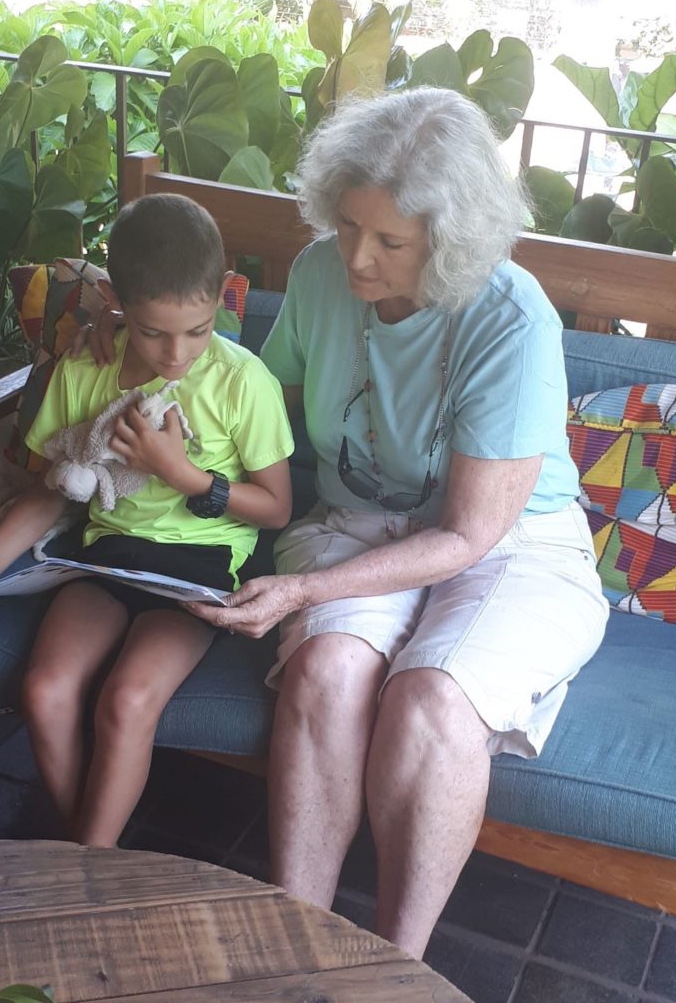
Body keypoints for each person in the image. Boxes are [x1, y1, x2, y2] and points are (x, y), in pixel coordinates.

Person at [183, 87, 611, 959]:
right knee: (326, 672)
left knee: (430, 704)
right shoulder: (316, 273)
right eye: (346, 226)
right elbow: (263, 411)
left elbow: (466, 536)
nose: (357, 260)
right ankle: (291, 951)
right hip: (359, 520)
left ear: (448, 244)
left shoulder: (509, 318)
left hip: (509, 544)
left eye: (390, 242)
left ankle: (391, 970)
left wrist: (301, 586)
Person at [0, 193, 294, 848]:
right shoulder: (86, 366)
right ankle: (91, 856)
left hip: (196, 569)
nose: (175, 354)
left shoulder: (242, 380)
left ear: (220, 296)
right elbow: (54, 492)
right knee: (46, 689)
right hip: (103, 555)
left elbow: (275, 505)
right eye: (154, 331)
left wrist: (185, 477)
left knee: (127, 699)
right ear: (118, 304)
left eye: (195, 330)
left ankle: (84, 866)